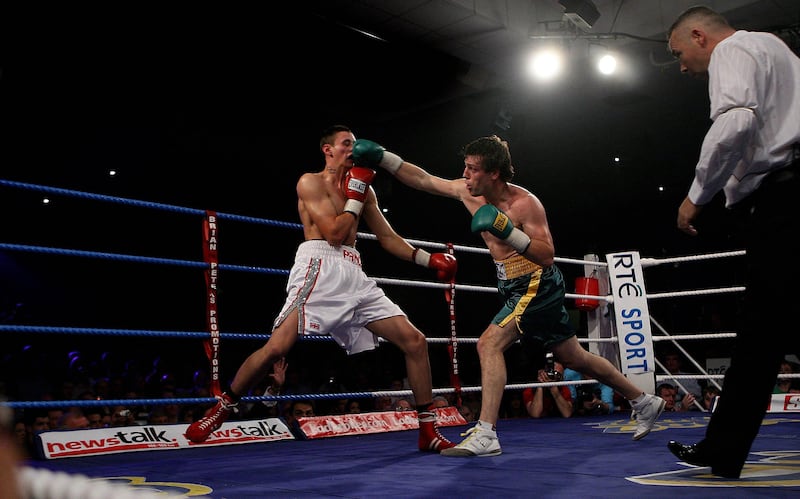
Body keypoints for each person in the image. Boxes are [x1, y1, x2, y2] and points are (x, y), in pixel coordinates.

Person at [351, 135, 665, 457]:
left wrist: (508, 231)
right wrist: (384, 158)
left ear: (494, 174)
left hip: (536, 284)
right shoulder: (467, 191)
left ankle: (486, 433)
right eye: (466, 167)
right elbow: (423, 180)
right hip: (513, 286)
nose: (466, 174)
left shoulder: (525, 204)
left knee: (489, 343)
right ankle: (644, 400)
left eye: (473, 169)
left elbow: (546, 256)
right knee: (574, 357)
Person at [185, 125, 457, 453]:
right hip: (318, 265)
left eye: (355, 145)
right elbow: (334, 233)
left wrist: (429, 260)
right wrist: (355, 191)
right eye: (346, 144)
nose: (353, 150)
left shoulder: (364, 189)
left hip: (353, 271)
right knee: (277, 347)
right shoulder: (309, 182)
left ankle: (427, 431)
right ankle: (222, 409)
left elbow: (387, 238)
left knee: (415, 341)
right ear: (328, 150)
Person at [665, 6, 800, 479]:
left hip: (783, 200)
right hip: (786, 194)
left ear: (699, 36)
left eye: (679, 52)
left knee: (759, 335)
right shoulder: (778, 49)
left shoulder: (733, 49)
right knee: (764, 333)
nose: (681, 66)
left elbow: (737, 122)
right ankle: (723, 448)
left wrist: (695, 196)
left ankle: (723, 451)